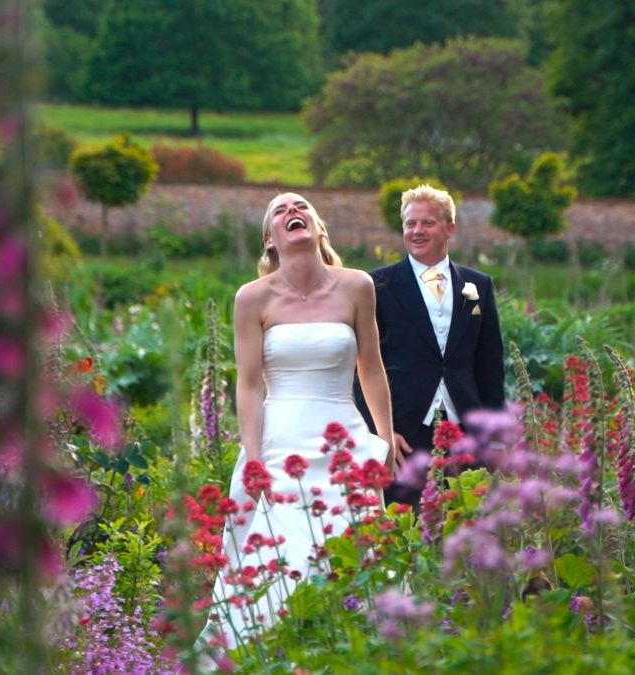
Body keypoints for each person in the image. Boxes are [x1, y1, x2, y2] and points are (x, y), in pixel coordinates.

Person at [200, 192, 395, 650]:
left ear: (319, 227)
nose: (292, 211)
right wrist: (253, 458)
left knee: (355, 560)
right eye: (280, 210)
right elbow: (248, 385)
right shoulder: (252, 298)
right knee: (278, 561)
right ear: (270, 239)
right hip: (279, 443)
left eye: (300, 205)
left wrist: (383, 442)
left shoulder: (357, 286)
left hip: (345, 444)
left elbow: (371, 368)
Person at [359, 184, 505, 506]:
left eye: (427, 223)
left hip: (465, 431)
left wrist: (494, 438)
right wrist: (379, 433)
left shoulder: (477, 285)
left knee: (465, 525)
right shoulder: (377, 286)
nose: (417, 231)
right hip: (403, 434)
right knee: (406, 530)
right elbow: (362, 366)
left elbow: (490, 366)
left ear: (450, 228)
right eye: (410, 224)